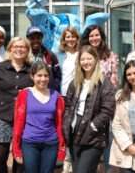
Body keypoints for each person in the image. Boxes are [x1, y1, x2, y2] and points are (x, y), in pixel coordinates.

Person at [0, 37, 34, 173]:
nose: (19, 49)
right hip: (1, 116)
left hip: (25, 119)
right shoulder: (0, 68)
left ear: (27, 50)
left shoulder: (32, 70)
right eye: (15, 46)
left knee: (20, 157)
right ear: (10, 49)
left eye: (22, 46)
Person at [62, 45, 115, 173]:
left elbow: (108, 110)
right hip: (74, 132)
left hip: (94, 137)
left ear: (96, 59)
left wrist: (93, 126)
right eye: (83, 59)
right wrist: (66, 124)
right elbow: (68, 106)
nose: (85, 62)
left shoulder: (104, 82)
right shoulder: (75, 82)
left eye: (89, 58)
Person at [12, 60, 66, 173]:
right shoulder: (23, 95)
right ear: (32, 76)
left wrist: (62, 148)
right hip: (29, 143)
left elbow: (60, 123)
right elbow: (18, 123)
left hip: (51, 143)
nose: (43, 79)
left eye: (46, 75)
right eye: (39, 75)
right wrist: (16, 149)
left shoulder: (56, 96)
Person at [54, 26, 80, 173]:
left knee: (75, 127)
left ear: (77, 38)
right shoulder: (59, 55)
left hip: (77, 95)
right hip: (61, 96)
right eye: (67, 37)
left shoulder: (81, 54)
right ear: (63, 39)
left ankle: (73, 159)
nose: (70, 39)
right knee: (64, 128)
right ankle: (66, 159)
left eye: (73, 36)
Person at [81, 24, 119, 89]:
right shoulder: (81, 55)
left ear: (101, 37)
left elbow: (114, 81)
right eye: (91, 36)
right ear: (87, 38)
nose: (94, 38)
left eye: (97, 35)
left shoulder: (112, 56)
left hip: (105, 95)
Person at [26, 26, 61, 92]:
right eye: (32, 38)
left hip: (47, 94)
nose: (35, 41)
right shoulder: (24, 56)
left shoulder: (50, 55)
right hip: (30, 94)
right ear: (27, 39)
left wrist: (53, 90)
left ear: (42, 39)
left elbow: (57, 76)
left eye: (38, 38)